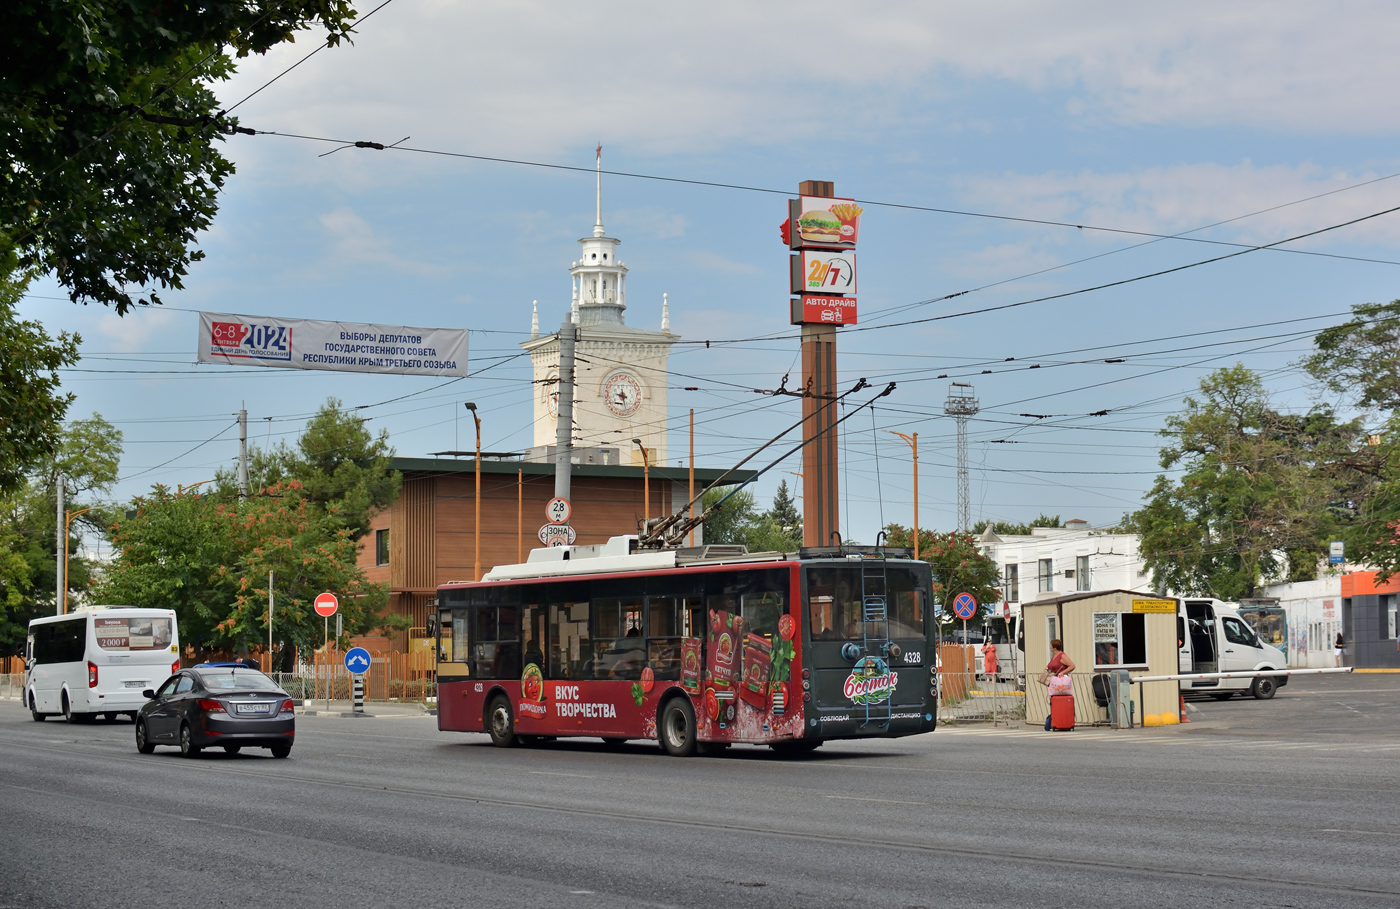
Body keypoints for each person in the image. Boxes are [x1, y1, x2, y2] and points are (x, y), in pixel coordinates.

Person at [1044, 638, 1075, 730]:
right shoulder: (1054, 655)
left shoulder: (1062, 655)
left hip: (1061, 681)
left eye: (1051, 645)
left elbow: (1072, 665)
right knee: (1054, 701)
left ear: (1054, 647)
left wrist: (1063, 673)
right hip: (1055, 682)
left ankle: (1063, 721)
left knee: (1061, 700)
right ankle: (1056, 721)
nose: (1049, 647)